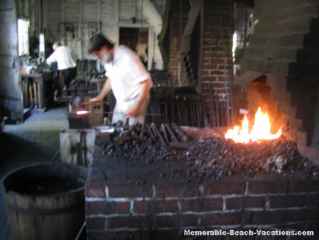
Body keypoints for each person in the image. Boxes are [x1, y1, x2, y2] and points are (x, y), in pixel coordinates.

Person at [89, 33, 153, 125]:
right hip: (121, 102)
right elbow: (111, 79)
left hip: (135, 101)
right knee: (116, 129)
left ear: (105, 47)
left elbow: (145, 82)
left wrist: (137, 106)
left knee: (132, 134)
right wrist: (100, 97)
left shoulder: (127, 57)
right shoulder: (108, 60)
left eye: (98, 54)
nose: (98, 57)